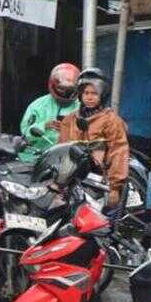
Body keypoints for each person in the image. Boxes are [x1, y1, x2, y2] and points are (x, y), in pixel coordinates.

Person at [59, 75, 130, 206]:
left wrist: (114, 187)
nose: (89, 97)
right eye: (86, 93)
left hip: (98, 181)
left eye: (94, 93)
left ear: (102, 96)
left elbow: (118, 152)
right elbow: (61, 149)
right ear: (80, 95)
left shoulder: (111, 121)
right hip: (71, 179)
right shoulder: (70, 119)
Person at [20, 63, 81, 163]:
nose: (65, 93)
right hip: (38, 158)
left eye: (70, 90)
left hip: (71, 159)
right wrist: (44, 125)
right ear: (52, 85)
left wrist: (69, 129)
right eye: (61, 89)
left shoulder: (81, 107)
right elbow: (25, 133)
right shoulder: (38, 105)